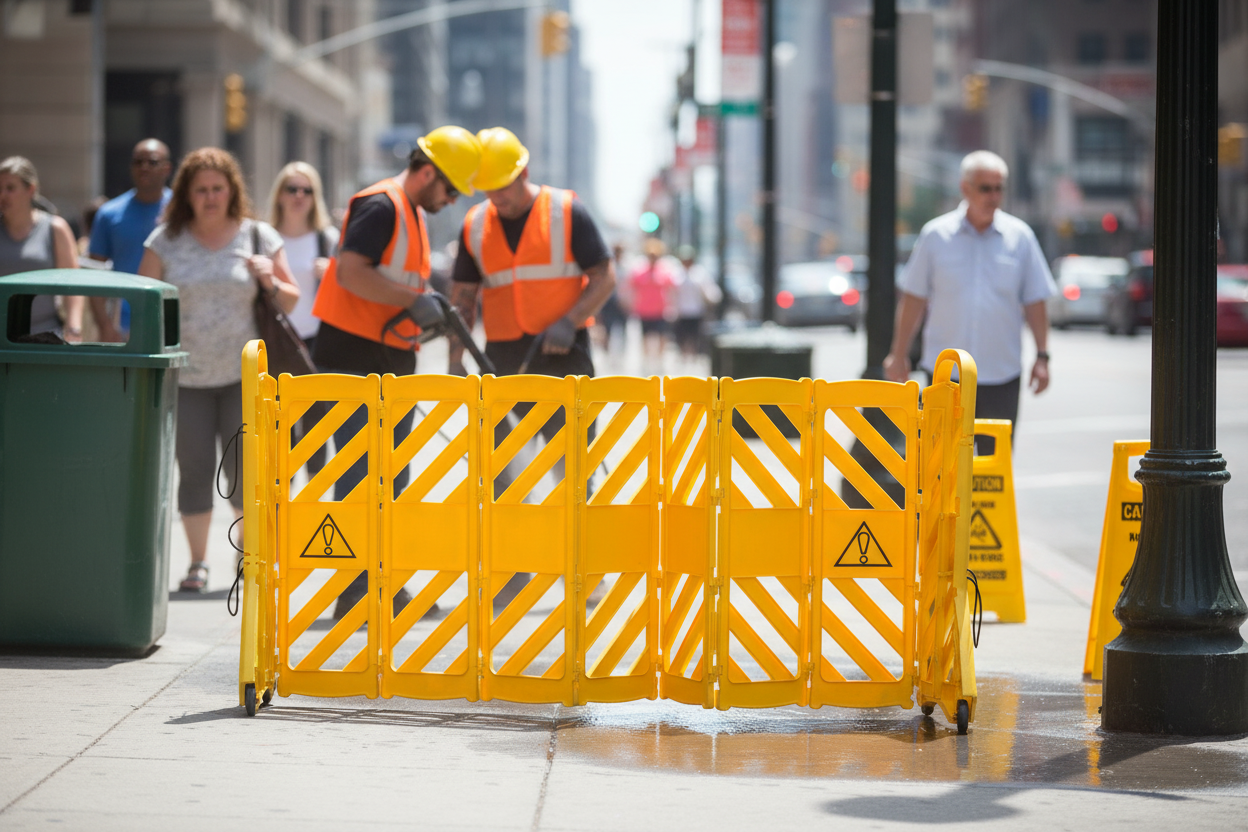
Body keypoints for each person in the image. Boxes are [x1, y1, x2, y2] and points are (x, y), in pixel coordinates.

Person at [311, 124, 481, 619]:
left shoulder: (411, 214)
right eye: (450, 188)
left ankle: (383, 583)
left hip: (387, 360)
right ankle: (355, 591)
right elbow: (350, 271)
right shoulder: (381, 205)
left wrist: (421, 311)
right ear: (427, 172)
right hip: (353, 361)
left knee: (390, 481)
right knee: (361, 481)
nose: (451, 200)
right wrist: (414, 301)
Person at [446, 126, 615, 607]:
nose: (498, 198)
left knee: (575, 469)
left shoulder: (566, 212)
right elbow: (464, 297)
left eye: (504, 187)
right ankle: (512, 571)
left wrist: (571, 320)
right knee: (503, 473)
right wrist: (456, 361)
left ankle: (585, 573)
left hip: (564, 354)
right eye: (490, 190)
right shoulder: (476, 224)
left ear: (523, 171)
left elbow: (604, 276)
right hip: (502, 359)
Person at [138, 147, 298, 593]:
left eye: (218, 189)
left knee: (246, 472)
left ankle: (247, 553)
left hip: (243, 377)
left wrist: (271, 279)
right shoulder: (164, 241)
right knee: (192, 468)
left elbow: (291, 300)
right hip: (185, 377)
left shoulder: (258, 236)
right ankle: (197, 563)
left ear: (232, 192)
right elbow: (145, 302)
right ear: (187, 195)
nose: (210, 197)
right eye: (201, 190)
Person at [883, 150, 1056, 454]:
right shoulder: (935, 236)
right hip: (944, 379)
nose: (993, 196)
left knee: (993, 476)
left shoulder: (1021, 237)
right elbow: (913, 299)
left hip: (1001, 375)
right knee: (939, 468)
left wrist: (1042, 357)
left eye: (999, 188)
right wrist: (898, 354)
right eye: (985, 188)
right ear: (965, 188)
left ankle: (983, 505)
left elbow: (1035, 302)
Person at [267, 161, 339, 476]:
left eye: (306, 190)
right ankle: (282, 502)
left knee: (315, 423)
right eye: (291, 189)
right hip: (274, 340)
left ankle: (311, 500)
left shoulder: (327, 239)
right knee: (277, 424)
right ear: (279, 195)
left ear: (315, 197)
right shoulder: (264, 238)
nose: (299, 196)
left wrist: (332, 275)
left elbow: (349, 290)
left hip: (317, 341)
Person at [89, 139, 174, 342]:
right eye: (138, 162)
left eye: (152, 162)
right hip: (123, 327)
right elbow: (94, 276)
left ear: (167, 168)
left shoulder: (182, 211)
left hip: (173, 322)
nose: (144, 167)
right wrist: (105, 326)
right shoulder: (108, 214)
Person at [0, 156, 83, 341]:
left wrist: (74, 328)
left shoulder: (55, 228)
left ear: (31, 189)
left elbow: (73, 284)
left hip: (46, 336)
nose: (2, 195)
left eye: (10, 188)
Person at [623, 238, 676, 368]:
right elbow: (630, 288)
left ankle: (660, 362)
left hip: (660, 310)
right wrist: (629, 304)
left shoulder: (665, 270)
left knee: (662, 336)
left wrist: (672, 306)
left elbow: (672, 289)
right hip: (644, 310)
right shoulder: (639, 271)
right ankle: (646, 363)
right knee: (645, 337)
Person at [672, 244, 720, 358]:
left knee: (694, 336)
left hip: (696, 310)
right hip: (680, 311)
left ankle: (692, 356)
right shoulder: (676, 273)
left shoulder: (700, 272)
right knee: (681, 336)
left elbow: (710, 290)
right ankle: (684, 356)